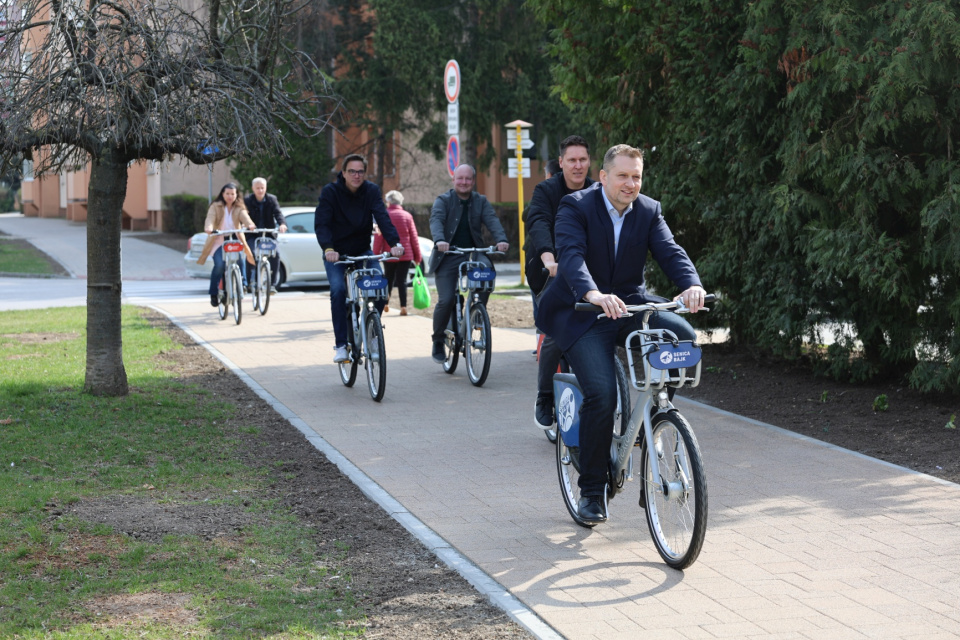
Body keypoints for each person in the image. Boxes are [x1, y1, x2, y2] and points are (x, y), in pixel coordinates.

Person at [535, 144, 706, 525]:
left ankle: (654, 420)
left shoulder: (648, 210)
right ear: (604, 178)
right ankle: (593, 491)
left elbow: (670, 251)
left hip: (628, 305)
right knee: (602, 394)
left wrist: (690, 285)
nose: (631, 184)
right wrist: (593, 293)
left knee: (682, 336)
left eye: (637, 177)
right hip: (583, 312)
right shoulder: (575, 207)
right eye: (623, 176)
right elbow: (572, 257)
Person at [525, 135, 595, 429]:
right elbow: (538, 221)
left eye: (582, 160)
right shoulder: (546, 190)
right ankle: (544, 397)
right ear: (561, 163)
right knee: (555, 332)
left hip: (587, 271)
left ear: (589, 162)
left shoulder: (598, 190)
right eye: (572, 160)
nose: (578, 166)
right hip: (549, 270)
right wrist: (548, 258)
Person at [315, 154, 404, 363]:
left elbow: (382, 216)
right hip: (336, 253)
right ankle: (340, 345)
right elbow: (322, 223)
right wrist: (328, 248)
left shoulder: (371, 191)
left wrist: (395, 243)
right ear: (344, 173)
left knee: (380, 286)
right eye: (352, 171)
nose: (356, 175)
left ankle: (371, 332)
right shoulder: (331, 192)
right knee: (338, 291)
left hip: (362, 251)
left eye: (360, 171)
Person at [429, 164, 509, 363]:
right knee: (446, 299)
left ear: (473, 181)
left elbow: (492, 220)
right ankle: (438, 339)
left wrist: (501, 239)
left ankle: (477, 312)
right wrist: (440, 240)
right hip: (447, 255)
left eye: (468, 179)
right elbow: (436, 220)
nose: (463, 182)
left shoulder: (480, 201)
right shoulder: (443, 200)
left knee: (488, 270)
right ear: (453, 180)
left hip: (474, 253)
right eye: (460, 178)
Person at [197, 183, 256, 307]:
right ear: (222, 194)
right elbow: (210, 218)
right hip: (219, 240)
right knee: (219, 265)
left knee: (241, 259)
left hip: (235, 239)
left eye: (232, 194)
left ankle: (244, 285)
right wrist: (209, 227)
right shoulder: (215, 206)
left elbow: (245, 217)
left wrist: (250, 225)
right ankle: (214, 293)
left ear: (236, 195)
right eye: (227, 194)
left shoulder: (239, 207)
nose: (230, 196)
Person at [373, 190, 422, 316]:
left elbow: (379, 237)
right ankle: (403, 306)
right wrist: (417, 256)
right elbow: (414, 237)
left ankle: (386, 303)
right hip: (405, 254)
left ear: (388, 202)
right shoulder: (407, 216)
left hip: (389, 253)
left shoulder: (384, 215)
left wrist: (375, 254)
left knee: (388, 279)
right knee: (402, 281)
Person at [243, 177, 287, 292]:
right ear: (253, 188)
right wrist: (246, 225)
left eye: (262, 188)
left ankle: (272, 284)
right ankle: (248, 282)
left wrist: (282, 224)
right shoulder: (247, 200)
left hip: (268, 234)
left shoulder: (272, 199)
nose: (260, 190)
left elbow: (278, 213)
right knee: (251, 253)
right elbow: (243, 215)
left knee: (276, 254)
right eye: (257, 188)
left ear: (266, 188)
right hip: (252, 234)